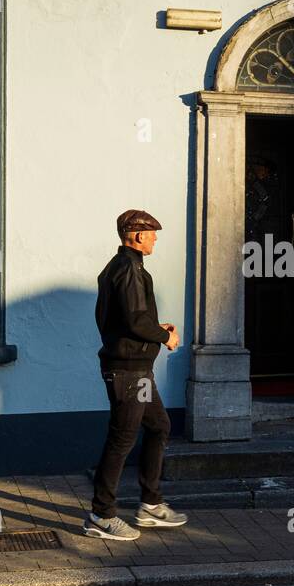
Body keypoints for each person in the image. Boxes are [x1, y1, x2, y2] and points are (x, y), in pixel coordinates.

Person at [84, 209, 188, 541]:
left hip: (137, 371)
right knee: (123, 438)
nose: (156, 237)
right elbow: (133, 322)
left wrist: (156, 327)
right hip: (128, 373)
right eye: (152, 233)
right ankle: (101, 515)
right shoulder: (127, 269)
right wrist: (164, 336)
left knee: (159, 426)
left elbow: (131, 319)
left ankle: (151, 505)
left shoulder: (129, 267)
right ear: (137, 235)